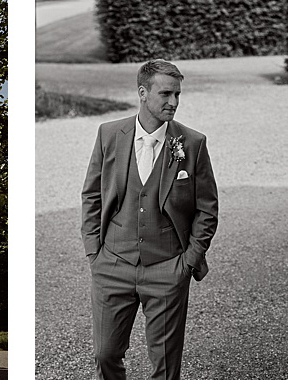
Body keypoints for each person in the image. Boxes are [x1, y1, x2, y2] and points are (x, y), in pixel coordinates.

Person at [80, 59, 218, 379]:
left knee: (166, 366)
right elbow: (91, 196)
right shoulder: (109, 134)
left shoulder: (192, 143)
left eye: (178, 95)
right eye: (166, 94)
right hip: (112, 263)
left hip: (168, 266)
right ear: (143, 93)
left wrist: (187, 263)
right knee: (105, 355)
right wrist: (94, 254)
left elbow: (207, 208)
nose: (174, 102)